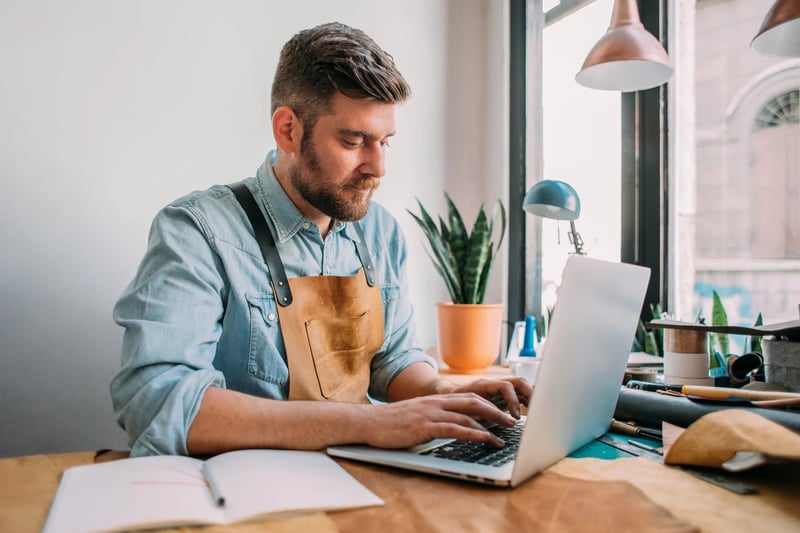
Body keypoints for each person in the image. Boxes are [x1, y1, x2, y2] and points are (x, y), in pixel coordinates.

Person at [111, 21, 532, 457]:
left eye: (385, 142)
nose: (378, 167)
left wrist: (448, 395)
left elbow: (392, 361)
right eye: (354, 141)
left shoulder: (380, 232)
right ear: (288, 130)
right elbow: (158, 403)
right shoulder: (197, 232)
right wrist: (371, 422)